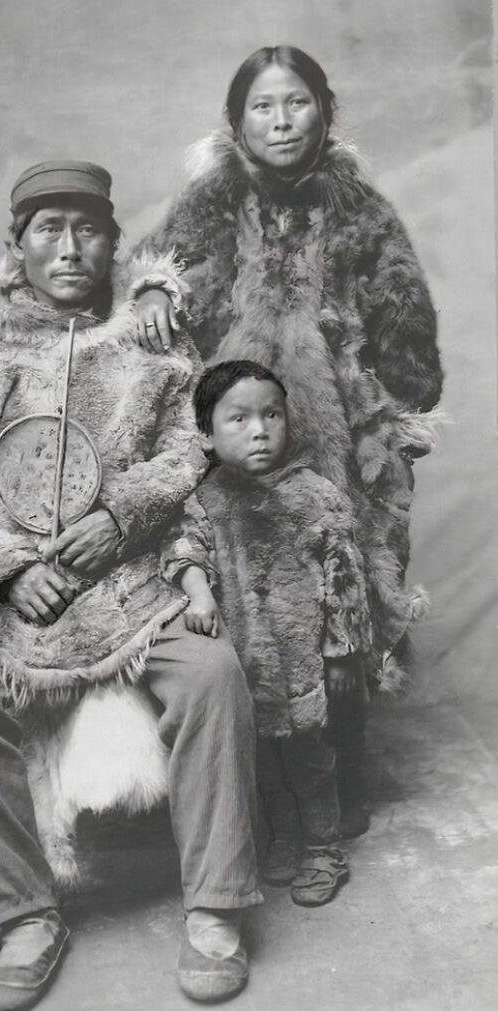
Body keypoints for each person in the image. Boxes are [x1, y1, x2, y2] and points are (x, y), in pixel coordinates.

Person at [0, 160, 262, 1010]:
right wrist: (10, 571)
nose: (69, 248)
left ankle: (216, 904)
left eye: (87, 229)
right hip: (12, 595)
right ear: (17, 246)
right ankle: (22, 914)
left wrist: (123, 517)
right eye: (49, 230)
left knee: (212, 676)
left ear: (113, 242)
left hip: (132, 580)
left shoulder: (154, 348)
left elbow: (190, 450)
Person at [133, 44, 444, 841]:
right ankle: (266, 783)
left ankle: (342, 773)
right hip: (234, 447)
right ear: (236, 121)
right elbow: (156, 274)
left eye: (297, 102)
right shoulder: (208, 205)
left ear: (325, 112)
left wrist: (395, 424)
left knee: (345, 599)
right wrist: (154, 291)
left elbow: (406, 326)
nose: (281, 121)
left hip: (343, 443)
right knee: (248, 600)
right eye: (263, 106)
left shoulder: (362, 212)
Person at [162, 359, 371, 906]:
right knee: (262, 767)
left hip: (304, 668)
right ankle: (282, 839)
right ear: (206, 434)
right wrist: (199, 593)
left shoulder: (315, 495)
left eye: (271, 415)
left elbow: (345, 579)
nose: (259, 430)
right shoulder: (205, 501)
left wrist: (343, 654)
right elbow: (183, 550)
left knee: (310, 763)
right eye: (239, 419)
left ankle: (322, 848)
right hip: (243, 669)